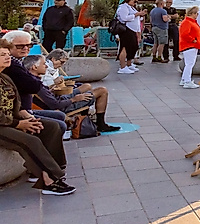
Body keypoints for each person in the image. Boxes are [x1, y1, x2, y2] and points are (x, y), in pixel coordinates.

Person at [0, 39, 75, 195]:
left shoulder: (5, 78)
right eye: (2, 55)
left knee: (52, 127)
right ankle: (51, 181)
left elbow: (14, 103)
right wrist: (18, 124)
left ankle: (56, 168)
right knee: (30, 140)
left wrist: (23, 114)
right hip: (3, 126)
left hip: (11, 121)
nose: (8, 58)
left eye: (8, 54)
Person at [26, 54, 119, 132]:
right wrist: (75, 99)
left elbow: (45, 98)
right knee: (102, 91)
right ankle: (101, 124)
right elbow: (56, 105)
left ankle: (95, 120)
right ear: (34, 67)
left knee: (87, 86)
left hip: (61, 99)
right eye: (43, 64)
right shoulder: (35, 84)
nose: (46, 66)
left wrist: (51, 89)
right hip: (64, 105)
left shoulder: (32, 80)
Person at [115, 0, 146, 74]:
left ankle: (129, 63)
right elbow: (124, 18)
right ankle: (122, 66)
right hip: (126, 29)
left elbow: (137, 19)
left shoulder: (132, 8)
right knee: (124, 47)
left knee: (133, 47)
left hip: (132, 30)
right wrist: (136, 14)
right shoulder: (123, 7)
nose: (135, 3)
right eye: (134, 1)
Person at [179, 6, 200, 89]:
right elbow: (185, 34)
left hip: (191, 45)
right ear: (192, 13)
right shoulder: (188, 22)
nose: (197, 15)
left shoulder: (190, 22)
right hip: (190, 46)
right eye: (196, 13)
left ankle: (184, 79)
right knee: (190, 64)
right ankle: (187, 81)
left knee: (189, 64)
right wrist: (193, 40)